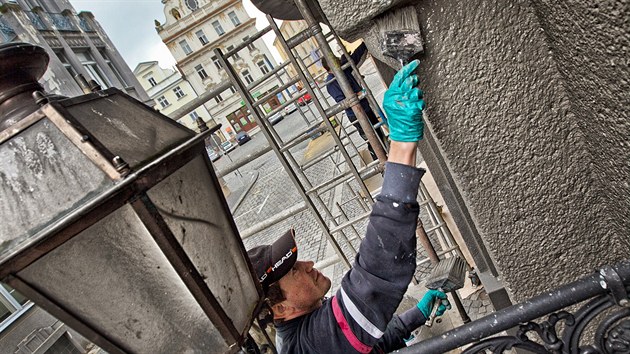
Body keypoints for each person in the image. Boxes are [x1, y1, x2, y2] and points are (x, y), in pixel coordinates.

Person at [247, 60, 450, 353]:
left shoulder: (306, 327)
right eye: (294, 272)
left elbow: (364, 342)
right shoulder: (307, 346)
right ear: (280, 309)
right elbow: (373, 277)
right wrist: (402, 144)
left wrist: (415, 316)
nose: (309, 264)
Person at [321, 42, 387, 160]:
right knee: (372, 139)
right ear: (329, 65)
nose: (337, 58)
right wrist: (357, 95)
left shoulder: (343, 69)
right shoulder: (331, 82)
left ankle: (386, 158)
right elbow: (342, 102)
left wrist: (365, 42)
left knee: (378, 134)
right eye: (334, 58)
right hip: (356, 114)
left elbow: (355, 56)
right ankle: (381, 163)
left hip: (365, 108)